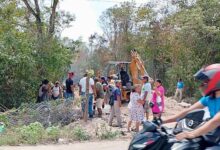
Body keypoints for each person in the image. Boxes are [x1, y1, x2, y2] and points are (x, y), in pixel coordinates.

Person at [163, 64, 220, 149]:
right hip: (214, 133)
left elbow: (215, 121)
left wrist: (192, 134)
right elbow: (187, 111)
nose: (202, 85)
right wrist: (162, 121)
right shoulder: (208, 99)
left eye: (205, 82)